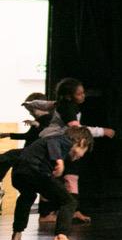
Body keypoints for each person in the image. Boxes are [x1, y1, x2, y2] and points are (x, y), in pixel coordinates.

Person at [38, 77, 116, 224]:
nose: (83, 96)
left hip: (66, 145)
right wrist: (103, 131)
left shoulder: (65, 104)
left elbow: (43, 104)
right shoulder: (67, 107)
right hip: (54, 144)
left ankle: (73, 211)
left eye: (83, 93)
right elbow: (78, 130)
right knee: (50, 178)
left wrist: (30, 104)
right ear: (69, 95)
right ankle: (45, 214)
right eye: (79, 94)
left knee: (72, 177)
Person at [9, 126, 93, 240]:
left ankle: (16, 235)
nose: (82, 155)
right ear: (81, 142)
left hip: (19, 173)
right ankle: (61, 238)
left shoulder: (52, 142)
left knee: (27, 196)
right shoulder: (64, 140)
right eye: (85, 150)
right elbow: (52, 143)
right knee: (69, 201)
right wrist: (59, 161)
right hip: (35, 171)